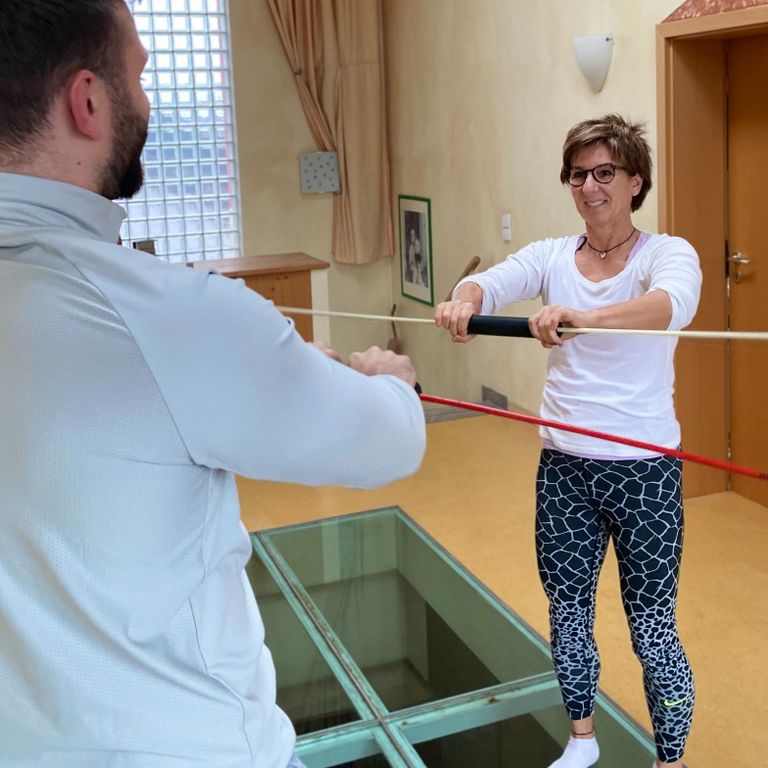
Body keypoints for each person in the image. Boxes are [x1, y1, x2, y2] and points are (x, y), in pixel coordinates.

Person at [0, 2, 425, 768]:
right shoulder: (171, 315)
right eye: (138, 75)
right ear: (88, 100)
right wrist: (390, 378)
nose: (147, 99)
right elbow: (387, 441)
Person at [435, 114, 701, 768]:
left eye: (605, 172)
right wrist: (464, 299)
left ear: (635, 181)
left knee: (653, 631)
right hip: (565, 470)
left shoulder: (667, 253)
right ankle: (582, 740)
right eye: (578, 175)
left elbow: (671, 305)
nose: (590, 186)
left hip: (644, 472)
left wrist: (585, 315)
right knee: (568, 613)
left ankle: (671, 759)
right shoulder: (552, 255)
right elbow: (490, 282)